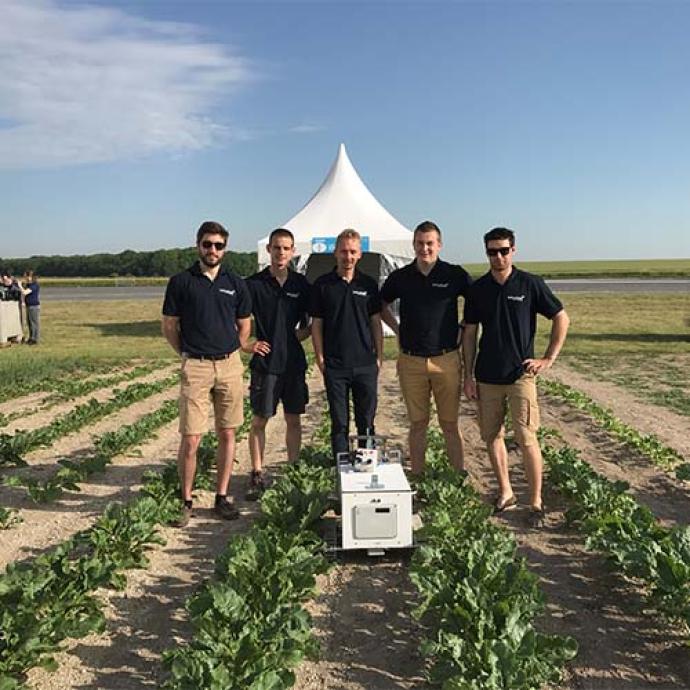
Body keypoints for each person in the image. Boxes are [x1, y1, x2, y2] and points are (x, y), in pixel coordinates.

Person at [462, 227, 570, 528]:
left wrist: (548, 358)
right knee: (491, 436)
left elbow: (561, 316)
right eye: (492, 251)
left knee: (526, 437)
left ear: (514, 251)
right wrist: (467, 376)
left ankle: (535, 501)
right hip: (486, 376)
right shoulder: (478, 289)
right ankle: (506, 491)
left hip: (521, 376)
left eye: (503, 250)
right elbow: (469, 333)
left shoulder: (530, 284)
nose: (498, 256)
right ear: (486, 253)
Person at [162, 220, 252, 527]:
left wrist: (233, 351)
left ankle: (221, 496)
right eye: (207, 244)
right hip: (196, 365)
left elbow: (245, 325)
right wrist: (187, 354)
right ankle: (186, 500)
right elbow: (169, 326)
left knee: (228, 433)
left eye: (218, 245)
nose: (212, 250)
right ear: (197, 245)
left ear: (225, 248)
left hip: (229, 365)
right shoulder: (180, 282)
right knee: (192, 438)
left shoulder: (236, 282)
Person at [381, 220, 472, 477]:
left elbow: (477, 303)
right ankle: (418, 478)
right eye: (420, 243)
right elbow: (380, 304)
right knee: (418, 424)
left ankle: (457, 477)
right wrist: (398, 330)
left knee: (450, 424)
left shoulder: (454, 275)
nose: (425, 248)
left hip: (446, 360)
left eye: (430, 243)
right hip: (411, 362)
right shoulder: (400, 277)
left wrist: (464, 326)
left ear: (439, 245)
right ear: (413, 245)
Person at [243, 228, 311, 499]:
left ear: (293, 251)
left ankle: (293, 470)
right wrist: (247, 344)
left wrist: (297, 337)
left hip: (293, 364)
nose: (281, 253)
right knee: (260, 420)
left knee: (293, 419)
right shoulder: (253, 284)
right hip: (266, 365)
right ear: (268, 250)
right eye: (276, 247)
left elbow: (312, 322)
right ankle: (257, 472)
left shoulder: (301, 285)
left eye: (286, 248)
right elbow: (236, 319)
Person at [310, 229, 383, 461]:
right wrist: (320, 357)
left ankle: (366, 462)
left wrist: (379, 356)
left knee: (366, 419)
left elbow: (375, 323)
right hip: (335, 365)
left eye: (353, 252)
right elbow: (317, 325)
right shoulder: (323, 285)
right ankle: (340, 467)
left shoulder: (369, 285)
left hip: (365, 364)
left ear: (360, 254)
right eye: (343, 251)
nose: (348, 256)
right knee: (339, 421)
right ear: (335, 252)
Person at [23, 271, 40, 345]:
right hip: (29, 306)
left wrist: (20, 286)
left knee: (34, 323)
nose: (25, 278)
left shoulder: (34, 285)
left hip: (34, 306)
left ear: (31, 277)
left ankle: (34, 339)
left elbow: (25, 292)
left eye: (26, 276)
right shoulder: (29, 285)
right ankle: (31, 337)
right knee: (29, 323)